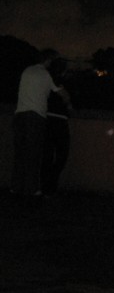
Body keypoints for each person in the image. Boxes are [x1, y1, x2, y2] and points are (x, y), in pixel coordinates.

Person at [11, 49, 68, 200]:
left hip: (19, 115)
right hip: (35, 116)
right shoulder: (45, 74)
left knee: (20, 153)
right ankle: (31, 189)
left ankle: (16, 187)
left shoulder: (27, 71)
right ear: (48, 60)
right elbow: (59, 92)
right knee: (34, 154)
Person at [41, 58, 73, 196]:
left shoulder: (46, 80)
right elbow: (67, 100)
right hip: (59, 121)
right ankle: (51, 183)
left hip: (47, 120)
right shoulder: (64, 83)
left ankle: (45, 184)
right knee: (62, 154)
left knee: (47, 154)